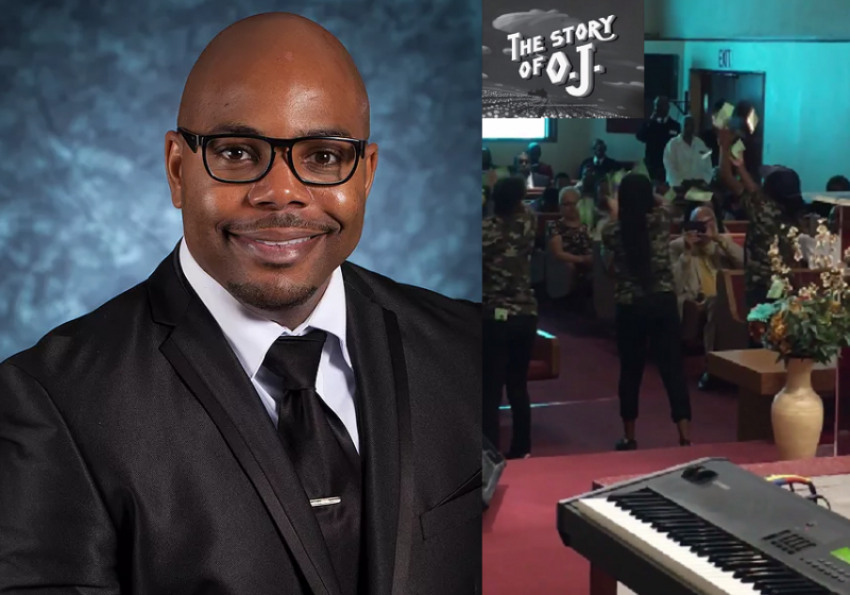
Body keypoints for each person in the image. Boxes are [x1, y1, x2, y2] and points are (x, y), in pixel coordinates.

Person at [0, 14, 481, 595]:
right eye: (235, 152)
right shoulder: (49, 401)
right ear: (178, 169)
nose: (281, 192)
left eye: (324, 156)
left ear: (367, 174)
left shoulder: (464, 345)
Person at [601, 174, 692, 450]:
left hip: (630, 305)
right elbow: (666, 204)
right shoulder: (661, 221)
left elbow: (610, 256)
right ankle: (685, 435)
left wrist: (617, 210)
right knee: (672, 369)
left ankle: (629, 436)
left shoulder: (612, 230)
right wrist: (650, 196)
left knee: (630, 371)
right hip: (662, 301)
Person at [717, 127, 807, 312]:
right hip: (786, 285)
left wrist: (723, 147)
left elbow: (725, 177)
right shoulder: (794, 213)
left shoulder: (762, 210)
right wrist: (741, 167)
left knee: (760, 335)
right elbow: (756, 193)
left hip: (761, 287)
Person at [483, 177, 538, 460]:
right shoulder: (529, 224)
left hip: (495, 316)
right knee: (518, 385)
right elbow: (527, 208)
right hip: (526, 314)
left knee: (491, 390)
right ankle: (522, 447)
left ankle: (490, 453)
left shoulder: (486, 231)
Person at [670, 206, 743, 390]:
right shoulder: (677, 247)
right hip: (695, 299)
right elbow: (675, 285)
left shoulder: (722, 245)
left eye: (706, 224)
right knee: (715, 303)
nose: (701, 229)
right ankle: (713, 366)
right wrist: (687, 253)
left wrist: (718, 238)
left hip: (725, 297)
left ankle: (733, 366)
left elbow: (744, 262)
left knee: (724, 303)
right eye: (697, 224)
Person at [547, 188, 593, 303]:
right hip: (569, 264)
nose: (572, 208)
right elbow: (558, 253)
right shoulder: (555, 226)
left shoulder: (589, 224)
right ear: (560, 207)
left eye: (575, 203)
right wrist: (582, 259)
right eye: (567, 204)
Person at [636, 96, 681, 183]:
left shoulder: (675, 125)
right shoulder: (650, 124)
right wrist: (649, 121)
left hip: (668, 165)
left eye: (660, 105)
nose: (657, 108)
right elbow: (640, 137)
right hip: (652, 165)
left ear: (667, 107)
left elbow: (678, 145)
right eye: (656, 106)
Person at [663, 115, 713, 188]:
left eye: (692, 125)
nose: (689, 128)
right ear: (681, 127)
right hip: (678, 187)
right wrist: (681, 183)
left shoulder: (700, 144)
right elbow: (670, 168)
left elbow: (708, 166)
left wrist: (704, 181)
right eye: (686, 125)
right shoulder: (672, 144)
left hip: (698, 186)